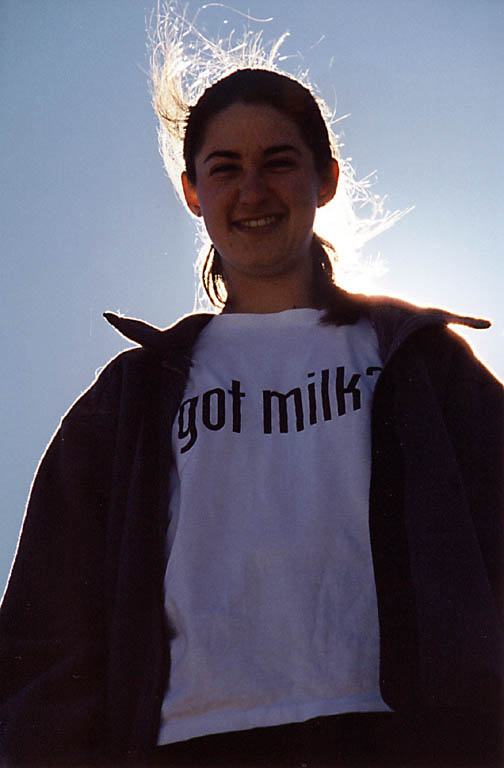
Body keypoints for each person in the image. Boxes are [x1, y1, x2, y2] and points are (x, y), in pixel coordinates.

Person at [1, 17, 502, 768]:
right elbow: (49, 626)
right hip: (190, 743)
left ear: (325, 178)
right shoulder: (135, 396)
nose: (253, 190)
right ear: (192, 192)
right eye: (225, 168)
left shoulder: (422, 367)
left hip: (400, 737)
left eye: (279, 161)